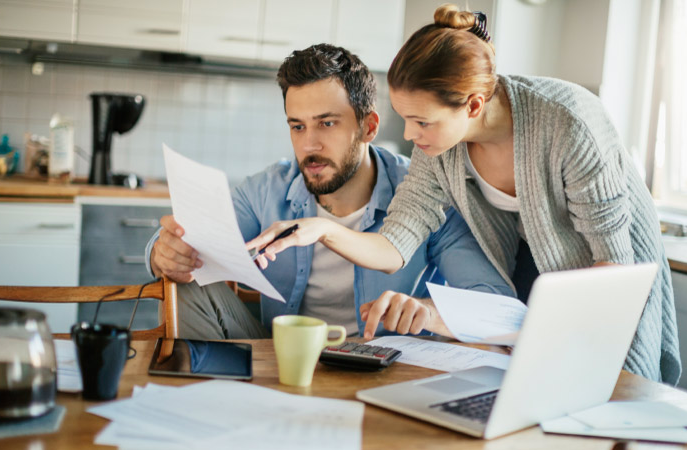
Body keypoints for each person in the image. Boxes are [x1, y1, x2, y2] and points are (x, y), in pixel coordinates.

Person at [248, 6, 680, 384]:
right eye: (405, 120)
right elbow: (396, 243)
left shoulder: (567, 122)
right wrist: (322, 230)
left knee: (611, 392)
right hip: (534, 273)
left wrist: (557, 330)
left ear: (473, 106)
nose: (411, 137)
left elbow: (613, 266)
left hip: (605, 272)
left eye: (422, 122)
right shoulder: (439, 148)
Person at [146, 43, 512, 341]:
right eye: (298, 127)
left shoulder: (426, 195)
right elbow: (191, 246)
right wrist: (163, 253)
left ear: (368, 127)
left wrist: (427, 310)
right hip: (281, 357)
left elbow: (495, 304)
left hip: (383, 366)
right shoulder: (265, 189)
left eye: (327, 123)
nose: (309, 145)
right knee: (184, 284)